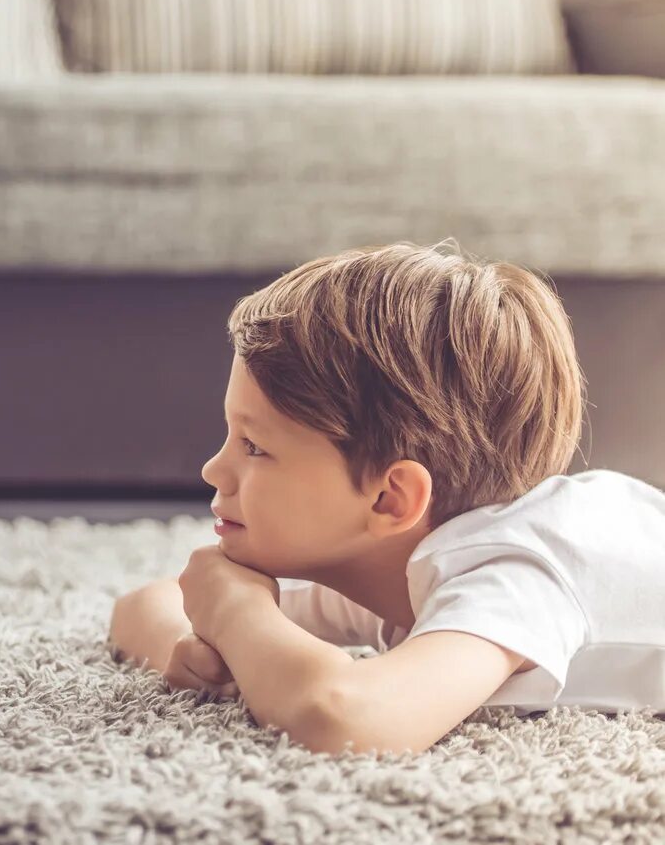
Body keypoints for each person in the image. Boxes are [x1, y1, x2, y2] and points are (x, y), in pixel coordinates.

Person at [110, 243, 665, 754]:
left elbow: (345, 719)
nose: (214, 468)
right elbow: (141, 607)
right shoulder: (385, 560)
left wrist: (236, 616)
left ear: (389, 500)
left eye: (254, 446)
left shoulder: (512, 574)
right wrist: (194, 647)